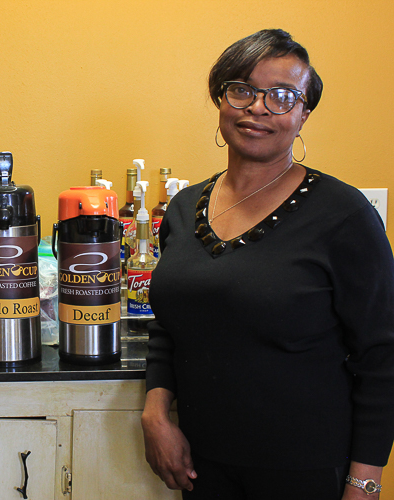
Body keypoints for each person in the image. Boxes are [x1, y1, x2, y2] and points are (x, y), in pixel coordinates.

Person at [141, 29, 394, 500]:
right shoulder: (183, 208)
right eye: (242, 89)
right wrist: (156, 413)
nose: (258, 108)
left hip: (305, 468)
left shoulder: (345, 215)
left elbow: (382, 355)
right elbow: (169, 328)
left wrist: (365, 480)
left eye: (282, 97)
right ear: (220, 100)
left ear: (303, 113)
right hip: (200, 464)